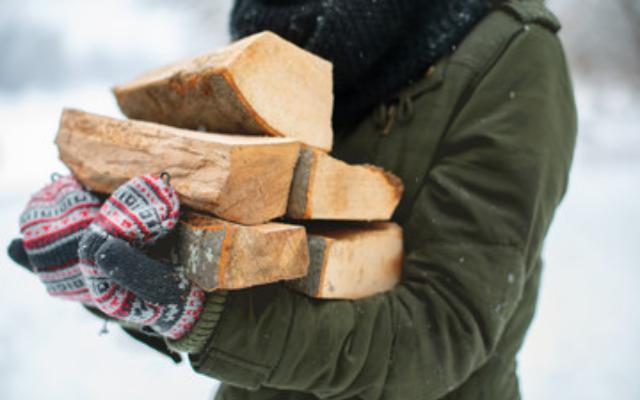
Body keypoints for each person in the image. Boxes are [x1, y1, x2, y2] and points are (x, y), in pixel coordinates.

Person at [7, 0, 577, 398]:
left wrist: (202, 316)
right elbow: (230, 253)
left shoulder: (511, 53)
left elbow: (444, 330)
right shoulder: (272, 32)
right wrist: (122, 265)